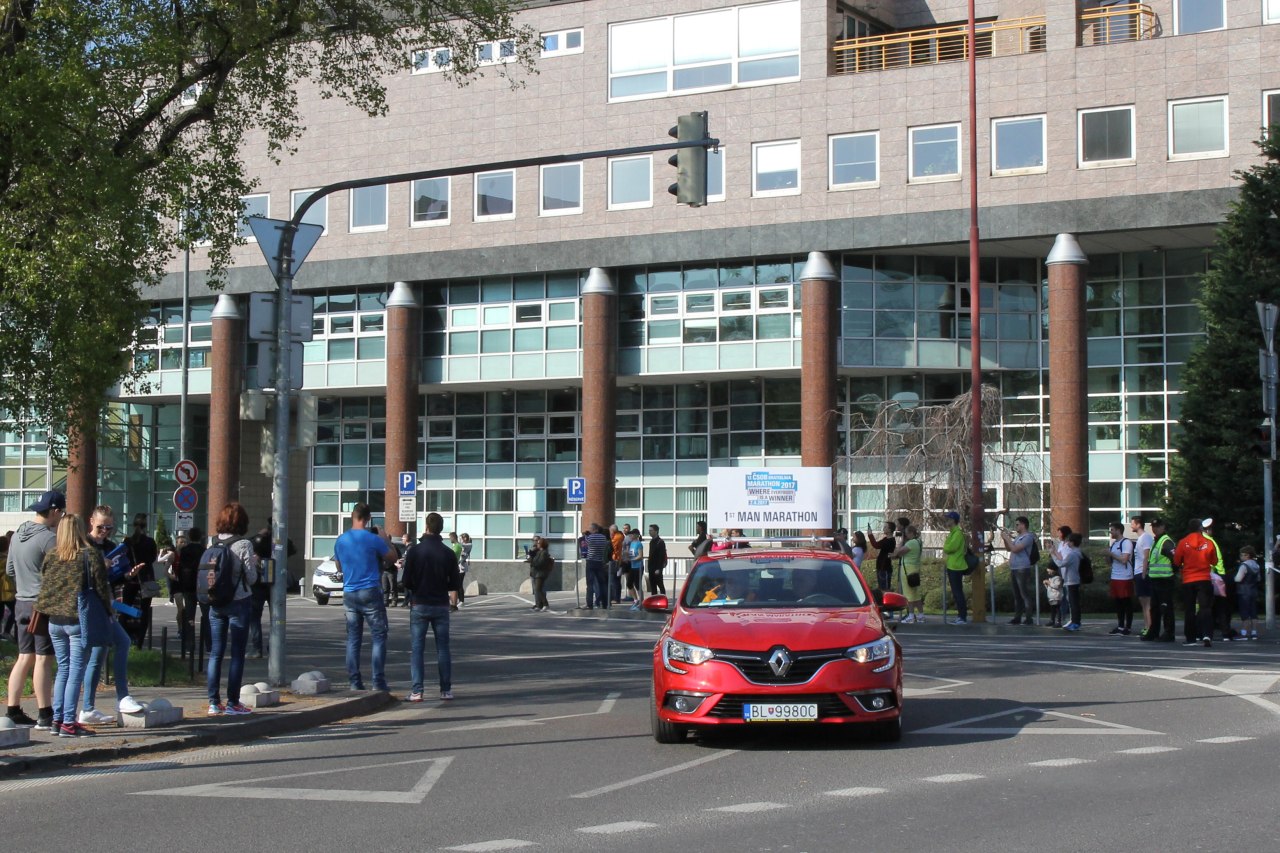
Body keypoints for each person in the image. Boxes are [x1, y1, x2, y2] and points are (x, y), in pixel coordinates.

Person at [35, 513, 111, 737]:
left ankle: (57, 720)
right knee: (76, 672)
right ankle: (69, 722)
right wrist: (108, 612)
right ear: (80, 530)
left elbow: (44, 581)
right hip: (78, 619)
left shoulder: (52, 555)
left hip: (54, 620)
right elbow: (101, 587)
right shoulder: (89, 554)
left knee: (63, 670)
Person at [5, 491, 64, 729]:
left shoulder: (18, 533)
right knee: (43, 658)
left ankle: (12, 710)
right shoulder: (49, 539)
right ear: (55, 511)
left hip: (20, 602)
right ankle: (45, 712)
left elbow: (10, 570)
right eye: (61, 513)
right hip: (41, 604)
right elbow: (60, 572)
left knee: (24, 656)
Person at [81, 505, 144, 724]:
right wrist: (101, 566)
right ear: (91, 522)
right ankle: (116, 698)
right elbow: (82, 577)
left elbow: (113, 578)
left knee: (104, 651)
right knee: (111, 646)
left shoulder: (110, 546)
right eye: (101, 527)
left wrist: (127, 575)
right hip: (92, 605)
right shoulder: (84, 545)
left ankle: (91, 707)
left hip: (106, 605)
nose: (104, 532)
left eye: (109, 528)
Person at [204, 502, 259, 716]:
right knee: (237, 654)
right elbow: (251, 578)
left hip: (216, 602)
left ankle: (213, 702)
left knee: (216, 653)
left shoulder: (212, 541)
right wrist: (254, 563)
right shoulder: (244, 544)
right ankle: (233, 703)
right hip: (239, 601)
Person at [402, 512, 462, 701]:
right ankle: (446, 690)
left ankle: (417, 691)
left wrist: (416, 587)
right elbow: (455, 583)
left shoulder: (415, 551)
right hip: (440, 604)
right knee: (443, 648)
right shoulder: (448, 553)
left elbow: (406, 581)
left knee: (417, 648)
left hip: (419, 603)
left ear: (426, 527)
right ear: (441, 529)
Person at [333, 503, 393, 691]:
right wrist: (385, 538)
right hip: (370, 590)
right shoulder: (373, 539)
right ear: (368, 519)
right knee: (378, 636)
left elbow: (338, 566)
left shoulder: (341, 540)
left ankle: (354, 682)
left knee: (353, 638)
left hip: (350, 592)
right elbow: (392, 558)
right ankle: (378, 682)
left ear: (352, 517)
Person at [1173, 518, 1217, 647]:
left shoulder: (1183, 542)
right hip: (1204, 578)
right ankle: (1207, 634)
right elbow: (1214, 561)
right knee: (1205, 608)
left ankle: (1191, 638)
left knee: (1189, 609)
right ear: (1201, 528)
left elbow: (1176, 561)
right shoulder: (1208, 542)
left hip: (1188, 579)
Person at [125, 512, 159, 648]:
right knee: (144, 611)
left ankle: (128, 638)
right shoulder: (150, 542)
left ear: (133, 525)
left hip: (131, 579)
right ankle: (139, 642)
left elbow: (124, 559)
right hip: (146, 579)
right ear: (146, 526)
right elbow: (153, 558)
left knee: (127, 609)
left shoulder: (128, 542)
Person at [169, 528, 203, 658]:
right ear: (200, 537)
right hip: (201, 586)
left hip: (188, 587)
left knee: (189, 616)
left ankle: (190, 644)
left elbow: (181, 569)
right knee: (206, 615)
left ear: (189, 537)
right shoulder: (204, 550)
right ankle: (209, 643)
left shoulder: (185, 551)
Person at [1145, 518, 1178, 642]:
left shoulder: (1166, 541)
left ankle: (1169, 633)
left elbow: (1175, 559)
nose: (1155, 528)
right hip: (1155, 580)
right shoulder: (1157, 541)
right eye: (1153, 526)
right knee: (1154, 608)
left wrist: (1172, 572)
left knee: (1166, 608)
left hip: (1165, 580)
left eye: (1157, 526)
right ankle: (1153, 632)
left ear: (1163, 527)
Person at [1001, 516, 1037, 625]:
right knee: (1017, 595)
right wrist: (1005, 539)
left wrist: (1007, 538)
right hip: (1014, 567)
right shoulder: (1018, 537)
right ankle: (1017, 617)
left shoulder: (1028, 537)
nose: (1016, 527)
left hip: (1022, 568)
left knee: (1024, 593)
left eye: (1017, 524)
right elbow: (1009, 548)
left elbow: (1015, 549)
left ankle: (1029, 618)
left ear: (1023, 525)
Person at [1107, 521, 1135, 635]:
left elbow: (1124, 560)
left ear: (1118, 530)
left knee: (1126, 601)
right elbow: (1111, 561)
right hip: (1115, 575)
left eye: (1112, 530)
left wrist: (1111, 554)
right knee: (1118, 602)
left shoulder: (1126, 542)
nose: (1111, 532)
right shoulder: (1114, 544)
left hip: (1125, 576)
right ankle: (1120, 625)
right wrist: (1107, 555)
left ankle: (1128, 627)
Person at [894, 525, 925, 623]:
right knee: (916, 594)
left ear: (911, 533)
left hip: (907, 570)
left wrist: (901, 541)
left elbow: (898, 552)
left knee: (908, 594)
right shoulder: (918, 542)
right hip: (915, 569)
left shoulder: (911, 543)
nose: (906, 535)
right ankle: (921, 615)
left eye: (906, 533)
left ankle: (911, 616)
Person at [942, 511, 969, 624]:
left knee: (958, 592)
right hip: (952, 565)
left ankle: (962, 616)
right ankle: (960, 615)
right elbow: (947, 547)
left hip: (956, 566)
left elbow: (949, 548)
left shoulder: (957, 533)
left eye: (948, 519)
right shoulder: (952, 533)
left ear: (953, 520)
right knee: (956, 592)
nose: (946, 521)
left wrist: (946, 546)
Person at [1131, 515, 1155, 639]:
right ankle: (1147, 626)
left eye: (1132, 523)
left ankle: (1150, 627)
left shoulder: (1146, 538)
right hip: (1138, 572)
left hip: (1142, 573)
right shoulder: (1140, 538)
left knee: (1147, 603)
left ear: (1138, 524)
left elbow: (1147, 556)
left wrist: (1144, 573)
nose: (1131, 526)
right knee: (1143, 603)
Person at [1054, 532, 1084, 631]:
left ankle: (1076, 622)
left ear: (1072, 542)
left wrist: (1053, 555)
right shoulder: (1077, 553)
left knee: (1073, 603)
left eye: (1069, 541)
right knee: (1073, 602)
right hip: (1073, 580)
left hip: (1071, 580)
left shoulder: (1072, 554)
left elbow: (1061, 563)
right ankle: (1074, 621)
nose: (1067, 543)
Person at [1234, 546, 1261, 640]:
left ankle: (1244, 633)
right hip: (1253, 591)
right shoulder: (1256, 565)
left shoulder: (1244, 566)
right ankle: (1254, 632)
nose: (1241, 556)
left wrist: (1234, 578)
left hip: (1243, 591)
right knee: (1253, 612)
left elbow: (1238, 579)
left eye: (1242, 555)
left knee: (1244, 612)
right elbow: (1258, 578)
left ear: (1247, 555)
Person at [583, 523, 610, 610]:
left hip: (591, 562)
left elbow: (587, 543)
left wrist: (586, 535)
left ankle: (589, 604)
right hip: (600, 562)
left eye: (590, 529)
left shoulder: (590, 537)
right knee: (602, 583)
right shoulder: (603, 537)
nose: (589, 530)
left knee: (590, 584)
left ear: (594, 529)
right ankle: (605, 604)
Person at [867, 523, 896, 595]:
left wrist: (870, 535)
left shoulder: (890, 541)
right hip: (881, 567)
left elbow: (876, 545)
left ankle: (887, 601)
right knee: (881, 588)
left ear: (890, 530)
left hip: (884, 567)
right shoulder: (886, 539)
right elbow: (876, 545)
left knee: (885, 589)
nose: (883, 528)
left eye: (885, 527)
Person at [527, 536, 553, 612]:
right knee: (537, 589)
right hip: (536, 573)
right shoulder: (538, 552)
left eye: (538, 543)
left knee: (539, 589)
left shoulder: (544, 553)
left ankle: (545, 605)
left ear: (542, 544)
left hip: (540, 574)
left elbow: (540, 563)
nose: (536, 544)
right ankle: (539, 605)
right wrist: (531, 556)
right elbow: (535, 560)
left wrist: (532, 561)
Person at [0, 531, 16, 642]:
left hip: (4, 592)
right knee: (15, 612)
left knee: (1, 614)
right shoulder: (7, 559)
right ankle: (6, 631)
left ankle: (3, 633)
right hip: (7, 591)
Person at [646, 523, 668, 597]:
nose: (649, 532)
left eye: (651, 530)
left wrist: (659, 568)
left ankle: (663, 598)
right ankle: (654, 599)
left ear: (656, 531)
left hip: (657, 567)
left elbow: (661, 556)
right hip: (651, 567)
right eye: (649, 530)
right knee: (652, 585)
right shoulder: (651, 542)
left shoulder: (660, 542)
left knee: (660, 583)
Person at [625, 529, 644, 606]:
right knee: (629, 583)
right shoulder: (632, 543)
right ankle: (635, 599)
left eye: (632, 534)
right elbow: (631, 554)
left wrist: (632, 559)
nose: (631, 536)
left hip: (638, 567)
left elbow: (640, 556)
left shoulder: (639, 544)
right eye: (630, 535)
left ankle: (641, 601)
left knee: (637, 585)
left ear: (636, 535)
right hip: (632, 566)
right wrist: (627, 555)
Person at [609, 523, 625, 604]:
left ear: (612, 530)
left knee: (613, 580)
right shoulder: (620, 536)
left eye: (610, 531)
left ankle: (615, 598)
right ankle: (616, 597)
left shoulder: (617, 537)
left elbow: (612, 547)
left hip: (615, 560)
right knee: (616, 580)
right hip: (618, 559)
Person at [458, 532, 473, 607]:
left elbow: (461, 545)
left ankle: (462, 601)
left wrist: (459, 541)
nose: (462, 539)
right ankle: (459, 600)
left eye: (463, 537)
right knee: (457, 584)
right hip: (458, 565)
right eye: (462, 537)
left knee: (459, 584)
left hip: (462, 567)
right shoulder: (462, 545)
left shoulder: (469, 544)